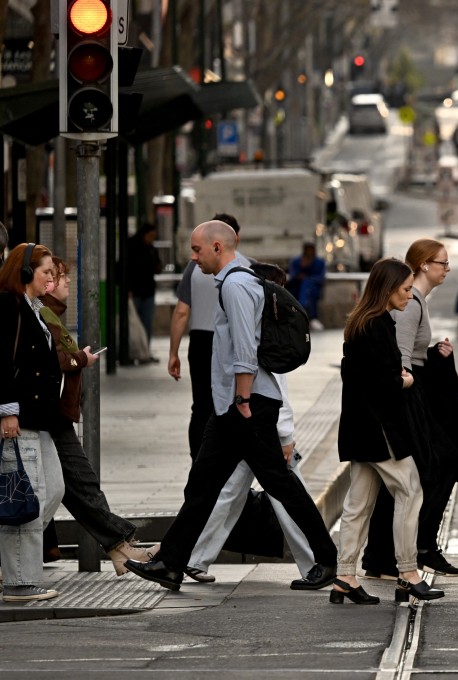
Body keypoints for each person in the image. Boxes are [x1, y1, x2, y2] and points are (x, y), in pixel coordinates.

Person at [124, 221, 338, 591]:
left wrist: (241, 398)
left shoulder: (237, 286)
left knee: (280, 483)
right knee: (203, 485)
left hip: (247, 405)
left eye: (197, 251)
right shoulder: (234, 282)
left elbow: (244, 348)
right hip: (232, 407)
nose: (193, 258)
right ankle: (171, 564)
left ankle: (327, 559)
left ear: (217, 247)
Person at [184, 263, 317, 587]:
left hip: (240, 420)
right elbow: (277, 390)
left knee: (227, 493)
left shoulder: (244, 323)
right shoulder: (266, 332)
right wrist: (286, 436)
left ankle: (194, 558)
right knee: (288, 497)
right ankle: (317, 562)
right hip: (261, 426)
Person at [332, 258, 443, 604]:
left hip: (359, 429)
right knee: (410, 491)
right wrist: (405, 380)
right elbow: (384, 382)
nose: (410, 296)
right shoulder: (378, 326)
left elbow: (356, 377)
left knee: (358, 504)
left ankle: (345, 576)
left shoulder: (359, 323)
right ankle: (408, 573)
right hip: (381, 430)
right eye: (406, 288)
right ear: (388, 288)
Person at [361, 239, 458, 580]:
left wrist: (434, 351)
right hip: (407, 398)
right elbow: (402, 356)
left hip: (411, 394)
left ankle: (387, 555)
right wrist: (407, 393)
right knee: (430, 467)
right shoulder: (411, 304)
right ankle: (409, 549)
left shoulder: (416, 301)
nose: (447, 269)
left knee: (406, 477)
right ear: (424, 265)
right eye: (442, 263)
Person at [39, 256, 155, 574]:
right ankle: (117, 544)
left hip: (55, 414)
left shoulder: (44, 313)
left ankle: (118, 546)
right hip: (45, 414)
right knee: (64, 486)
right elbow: (52, 360)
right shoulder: (38, 313)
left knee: (73, 484)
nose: (62, 282)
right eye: (53, 275)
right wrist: (80, 359)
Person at [0, 242, 65, 602]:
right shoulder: (9, 306)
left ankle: (13, 564)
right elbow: (2, 362)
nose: (51, 279)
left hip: (38, 418)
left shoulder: (34, 308)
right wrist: (7, 410)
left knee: (53, 488)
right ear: (25, 272)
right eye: (45, 272)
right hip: (19, 416)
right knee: (25, 496)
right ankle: (19, 580)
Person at [168, 213, 251, 460]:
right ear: (236, 237)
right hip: (231, 342)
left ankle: (200, 459)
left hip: (201, 341)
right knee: (228, 404)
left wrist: (173, 353)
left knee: (201, 407)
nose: (195, 255)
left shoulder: (193, 270)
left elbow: (182, 311)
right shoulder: (249, 267)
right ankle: (225, 459)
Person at [126, 222, 161, 358]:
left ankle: (145, 350)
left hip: (148, 291)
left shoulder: (152, 248)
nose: (152, 239)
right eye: (150, 236)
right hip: (135, 291)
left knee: (146, 321)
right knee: (135, 321)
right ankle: (135, 350)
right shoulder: (132, 247)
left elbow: (157, 266)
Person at [287, 241, 327, 331]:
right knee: (305, 287)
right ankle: (309, 315)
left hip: (314, 288)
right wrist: (302, 268)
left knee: (308, 286)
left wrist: (308, 280)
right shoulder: (297, 261)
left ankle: (304, 309)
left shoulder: (319, 262)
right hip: (297, 287)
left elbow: (321, 277)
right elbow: (292, 274)